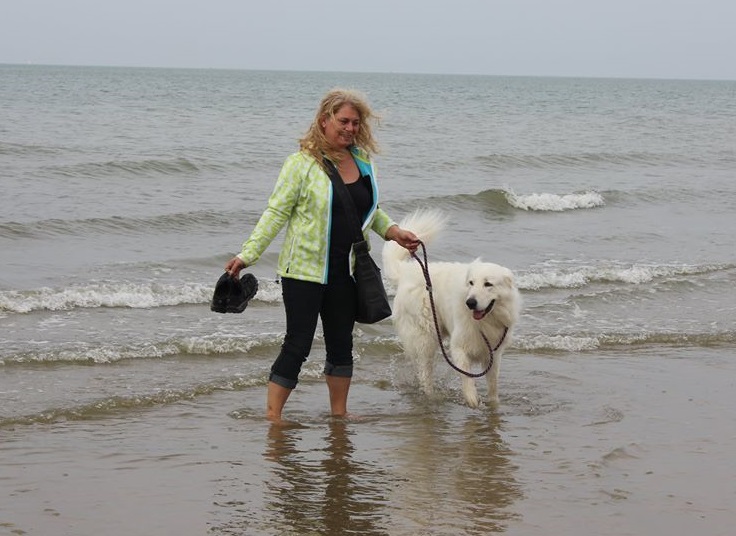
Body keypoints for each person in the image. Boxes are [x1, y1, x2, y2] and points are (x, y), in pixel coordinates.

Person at [225, 88, 419, 422]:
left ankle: (339, 416)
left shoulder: (362, 162)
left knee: (342, 345)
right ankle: (273, 417)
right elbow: (276, 213)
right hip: (303, 272)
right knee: (297, 345)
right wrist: (247, 255)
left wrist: (394, 232)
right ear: (324, 120)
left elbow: (368, 211)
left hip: (347, 272)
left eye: (355, 123)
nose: (350, 128)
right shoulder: (300, 164)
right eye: (343, 121)